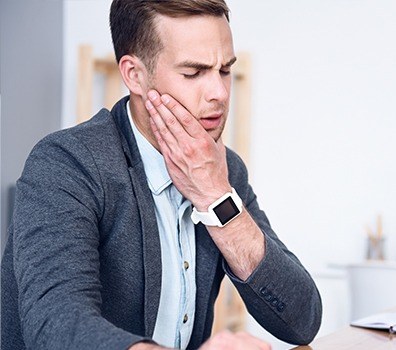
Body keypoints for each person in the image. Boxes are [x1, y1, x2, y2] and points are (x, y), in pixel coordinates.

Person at [1, 1, 322, 349]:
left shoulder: (222, 169)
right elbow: (55, 325)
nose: (219, 93)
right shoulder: (66, 163)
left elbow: (302, 322)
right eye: (193, 73)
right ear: (134, 75)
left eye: (225, 70)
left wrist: (217, 198)